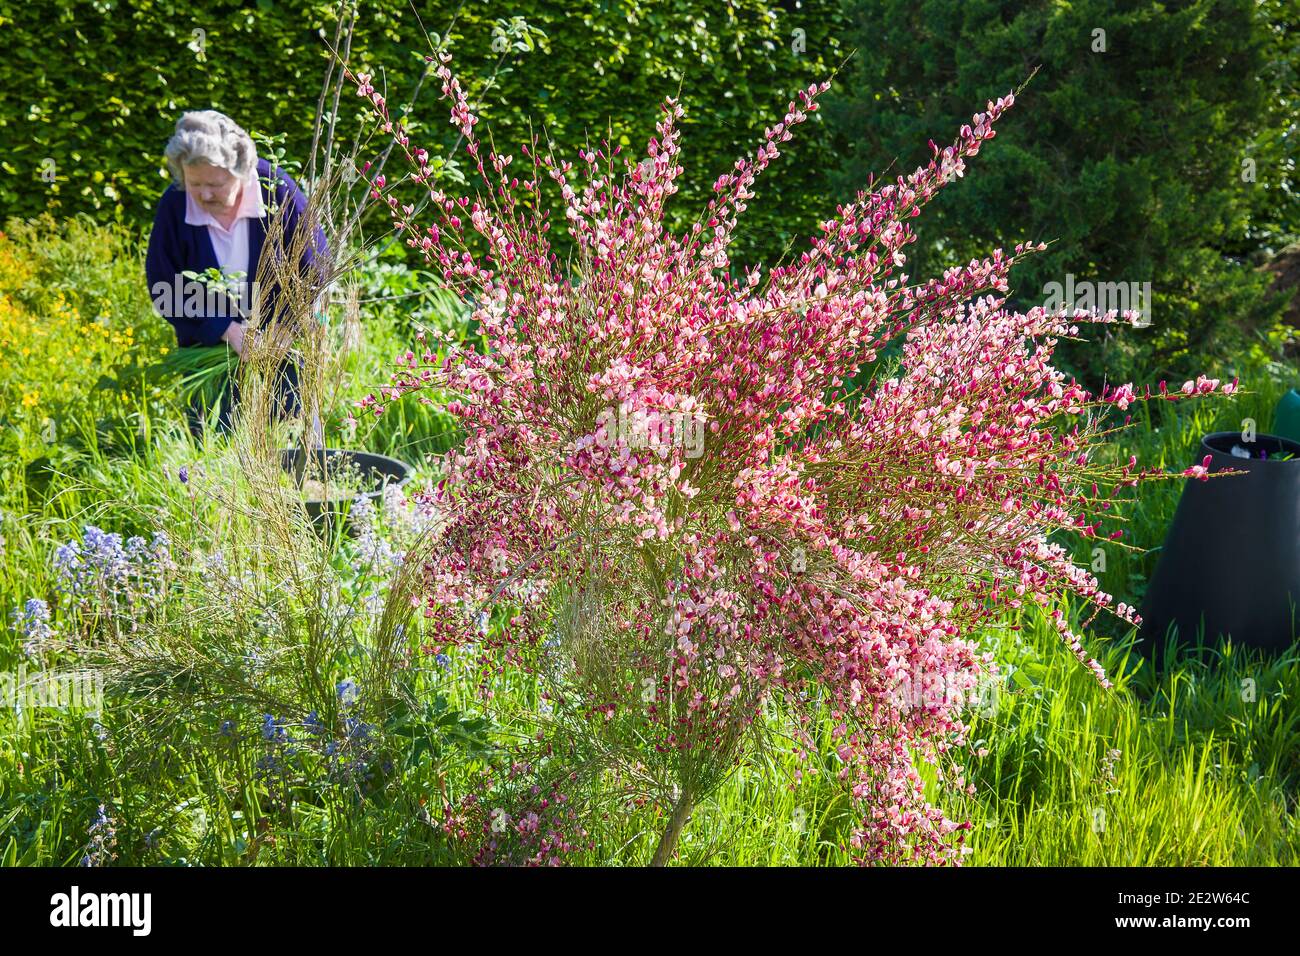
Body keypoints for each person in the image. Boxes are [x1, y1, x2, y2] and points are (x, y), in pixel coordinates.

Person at [145, 109, 328, 437]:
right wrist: (226, 329)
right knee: (213, 436)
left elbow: (315, 267)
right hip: (207, 339)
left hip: (281, 335)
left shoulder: (278, 192)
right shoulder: (174, 204)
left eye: (215, 184)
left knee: (290, 430)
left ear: (241, 170)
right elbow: (164, 285)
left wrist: (285, 329)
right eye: (194, 183)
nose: (203, 195)